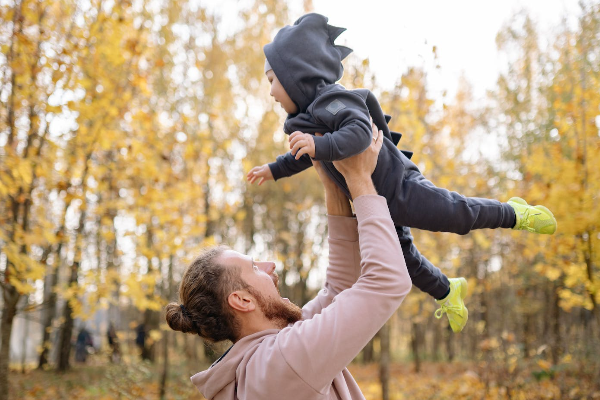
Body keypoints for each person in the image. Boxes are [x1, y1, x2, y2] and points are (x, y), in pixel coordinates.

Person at [247, 13, 557, 332]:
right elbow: (304, 154)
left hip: (401, 187)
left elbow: (359, 134)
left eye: (272, 80)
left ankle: (514, 213)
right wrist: (274, 169)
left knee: (455, 215)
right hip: (377, 204)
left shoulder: (333, 101)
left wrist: (318, 145)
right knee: (406, 262)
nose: (271, 92)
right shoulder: (307, 120)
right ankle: (449, 291)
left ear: (296, 74)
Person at [166, 121, 412, 399]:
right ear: (242, 300)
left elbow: (339, 289)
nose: (270, 266)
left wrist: (332, 185)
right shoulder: (281, 362)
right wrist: (359, 177)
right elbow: (387, 281)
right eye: (255, 267)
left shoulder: (268, 357)